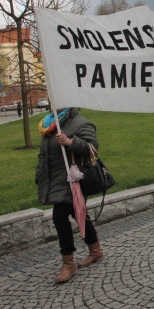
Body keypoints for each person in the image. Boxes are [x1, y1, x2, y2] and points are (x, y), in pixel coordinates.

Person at [35, 107, 104, 283]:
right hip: (56, 179)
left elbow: (92, 150)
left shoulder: (81, 123)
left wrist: (70, 142)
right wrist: (39, 174)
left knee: (59, 216)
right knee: (77, 212)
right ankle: (95, 250)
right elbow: (43, 155)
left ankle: (68, 263)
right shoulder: (49, 124)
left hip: (74, 179)